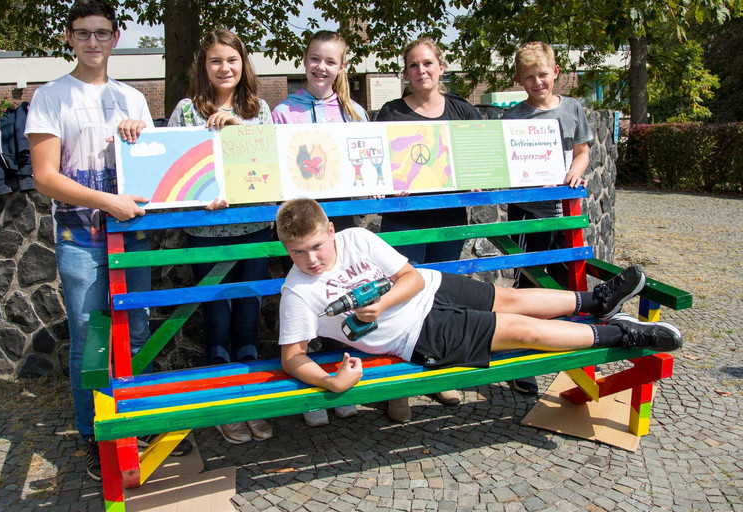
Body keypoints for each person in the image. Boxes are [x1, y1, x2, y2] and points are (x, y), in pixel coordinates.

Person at [276, 199, 683, 408]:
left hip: (431, 288)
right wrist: (331, 381)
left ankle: (597, 300)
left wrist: (379, 306)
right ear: (286, 250)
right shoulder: (298, 293)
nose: (311, 260)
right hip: (418, 334)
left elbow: (412, 278)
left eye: (317, 246)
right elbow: (292, 357)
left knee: (512, 298)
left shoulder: (356, 239)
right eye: (298, 253)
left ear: (330, 229)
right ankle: (621, 332)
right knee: (522, 331)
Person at [24, 0, 191, 482]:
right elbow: (45, 177)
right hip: (82, 237)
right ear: (70, 38)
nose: (92, 42)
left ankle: (129, 424)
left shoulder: (133, 98)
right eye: (83, 33)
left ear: (115, 38)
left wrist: (140, 135)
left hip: (131, 235)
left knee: (135, 331)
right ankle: (95, 435)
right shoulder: (51, 96)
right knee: (88, 340)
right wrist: (106, 201)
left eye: (101, 33)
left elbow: (154, 165)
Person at [167, 28, 273, 445]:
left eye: (232, 59)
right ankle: (226, 407)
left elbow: (268, 167)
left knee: (249, 314)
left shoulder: (260, 109)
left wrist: (238, 131)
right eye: (215, 60)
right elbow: (175, 176)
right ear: (203, 66)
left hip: (255, 230)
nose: (224, 67)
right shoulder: (186, 111)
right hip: (206, 231)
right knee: (216, 316)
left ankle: (251, 403)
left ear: (243, 63)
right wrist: (197, 198)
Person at [374, 38, 483, 418]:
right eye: (414, 65)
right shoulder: (390, 112)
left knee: (445, 296)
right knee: (399, 295)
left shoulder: (463, 111)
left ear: (441, 67)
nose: (422, 71)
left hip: (447, 220)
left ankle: (439, 374)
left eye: (428, 64)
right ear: (405, 73)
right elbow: (377, 165)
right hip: (403, 218)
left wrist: (476, 178)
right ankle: (398, 385)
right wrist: (388, 181)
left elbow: (480, 158)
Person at [271, 30, 368, 427]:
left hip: (338, 223)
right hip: (300, 226)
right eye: (315, 59)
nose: (321, 67)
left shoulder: (354, 112)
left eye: (330, 61)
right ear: (305, 60)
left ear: (342, 67)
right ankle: (312, 392)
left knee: (340, 303)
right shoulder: (283, 112)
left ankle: (339, 378)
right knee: (303, 308)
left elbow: (366, 162)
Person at [501, 41, 595, 395]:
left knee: (567, 285)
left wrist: (575, 171)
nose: (538, 83)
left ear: (555, 73)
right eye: (529, 78)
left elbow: (583, 151)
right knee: (528, 286)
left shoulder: (572, 109)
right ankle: (522, 358)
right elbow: (505, 165)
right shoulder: (513, 117)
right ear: (519, 80)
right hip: (530, 214)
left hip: (566, 213)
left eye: (543, 75)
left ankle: (564, 349)